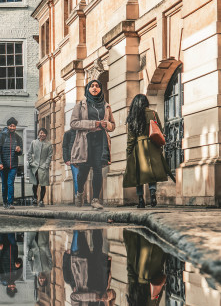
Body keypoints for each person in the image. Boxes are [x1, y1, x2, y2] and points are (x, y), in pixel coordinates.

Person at [66, 229, 115, 306]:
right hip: (101, 278)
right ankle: (96, 225)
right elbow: (113, 294)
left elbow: (74, 297)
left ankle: (81, 226)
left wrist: (94, 297)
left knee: (82, 246)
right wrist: (106, 296)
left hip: (85, 277)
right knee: (98, 248)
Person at [70, 77, 115, 209]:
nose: (95, 88)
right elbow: (73, 123)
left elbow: (113, 125)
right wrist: (94, 124)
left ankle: (95, 199)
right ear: (88, 89)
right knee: (83, 171)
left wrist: (105, 124)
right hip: (85, 140)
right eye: (92, 86)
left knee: (97, 170)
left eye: (97, 86)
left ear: (101, 89)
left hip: (100, 140)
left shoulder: (106, 106)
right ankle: (79, 193)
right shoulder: (80, 105)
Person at [123, 94, 174, 208]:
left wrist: (129, 152)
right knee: (152, 173)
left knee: (138, 175)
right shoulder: (153, 114)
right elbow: (159, 130)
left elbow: (131, 138)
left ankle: (141, 200)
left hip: (138, 148)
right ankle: (152, 194)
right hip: (152, 146)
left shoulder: (132, 117)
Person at [0, 116, 23, 208]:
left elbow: (20, 153)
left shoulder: (18, 138)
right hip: (4, 164)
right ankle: (4, 202)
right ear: (7, 126)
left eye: (14, 126)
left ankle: (10, 203)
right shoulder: (1, 136)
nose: (12, 128)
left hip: (13, 165)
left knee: (10, 183)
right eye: (11, 126)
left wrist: (19, 151)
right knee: (4, 184)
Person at [26, 127, 53, 206]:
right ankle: (35, 197)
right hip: (35, 166)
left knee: (43, 184)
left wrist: (46, 164)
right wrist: (31, 162)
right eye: (41, 133)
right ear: (38, 134)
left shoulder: (49, 144)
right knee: (35, 183)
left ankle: (41, 200)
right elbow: (29, 153)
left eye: (44, 133)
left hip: (43, 166)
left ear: (46, 135)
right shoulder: (33, 142)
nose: (42, 134)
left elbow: (49, 155)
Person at [0, 232, 23, 298]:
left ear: (7, 287)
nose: (12, 286)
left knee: (2, 230)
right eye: (14, 287)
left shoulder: (1, 277)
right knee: (10, 229)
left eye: (11, 288)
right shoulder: (18, 276)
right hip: (13, 247)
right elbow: (20, 260)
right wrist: (18, 263)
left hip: (3, 248)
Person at [61, 127, 80, 205]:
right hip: (73, 159)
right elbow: (64, 147)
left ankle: (81, 196)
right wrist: (66, 159)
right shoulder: (68, 133)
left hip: (84, 158)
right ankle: (78, 197)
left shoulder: (83, 131)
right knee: (76, 178)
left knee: (82, 178)